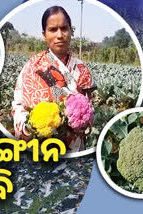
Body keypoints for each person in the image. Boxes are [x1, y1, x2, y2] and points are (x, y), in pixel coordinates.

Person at [12, 6, 94, 152]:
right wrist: (30, 126)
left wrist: (80, 121)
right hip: (39, 148)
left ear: (71, 31)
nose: (59, 35)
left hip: (73, 149)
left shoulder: (82, 70)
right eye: (52, 29)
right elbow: (18, 105)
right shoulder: (32, 66)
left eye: (64, 28)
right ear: (44, 35)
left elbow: (91, 107)